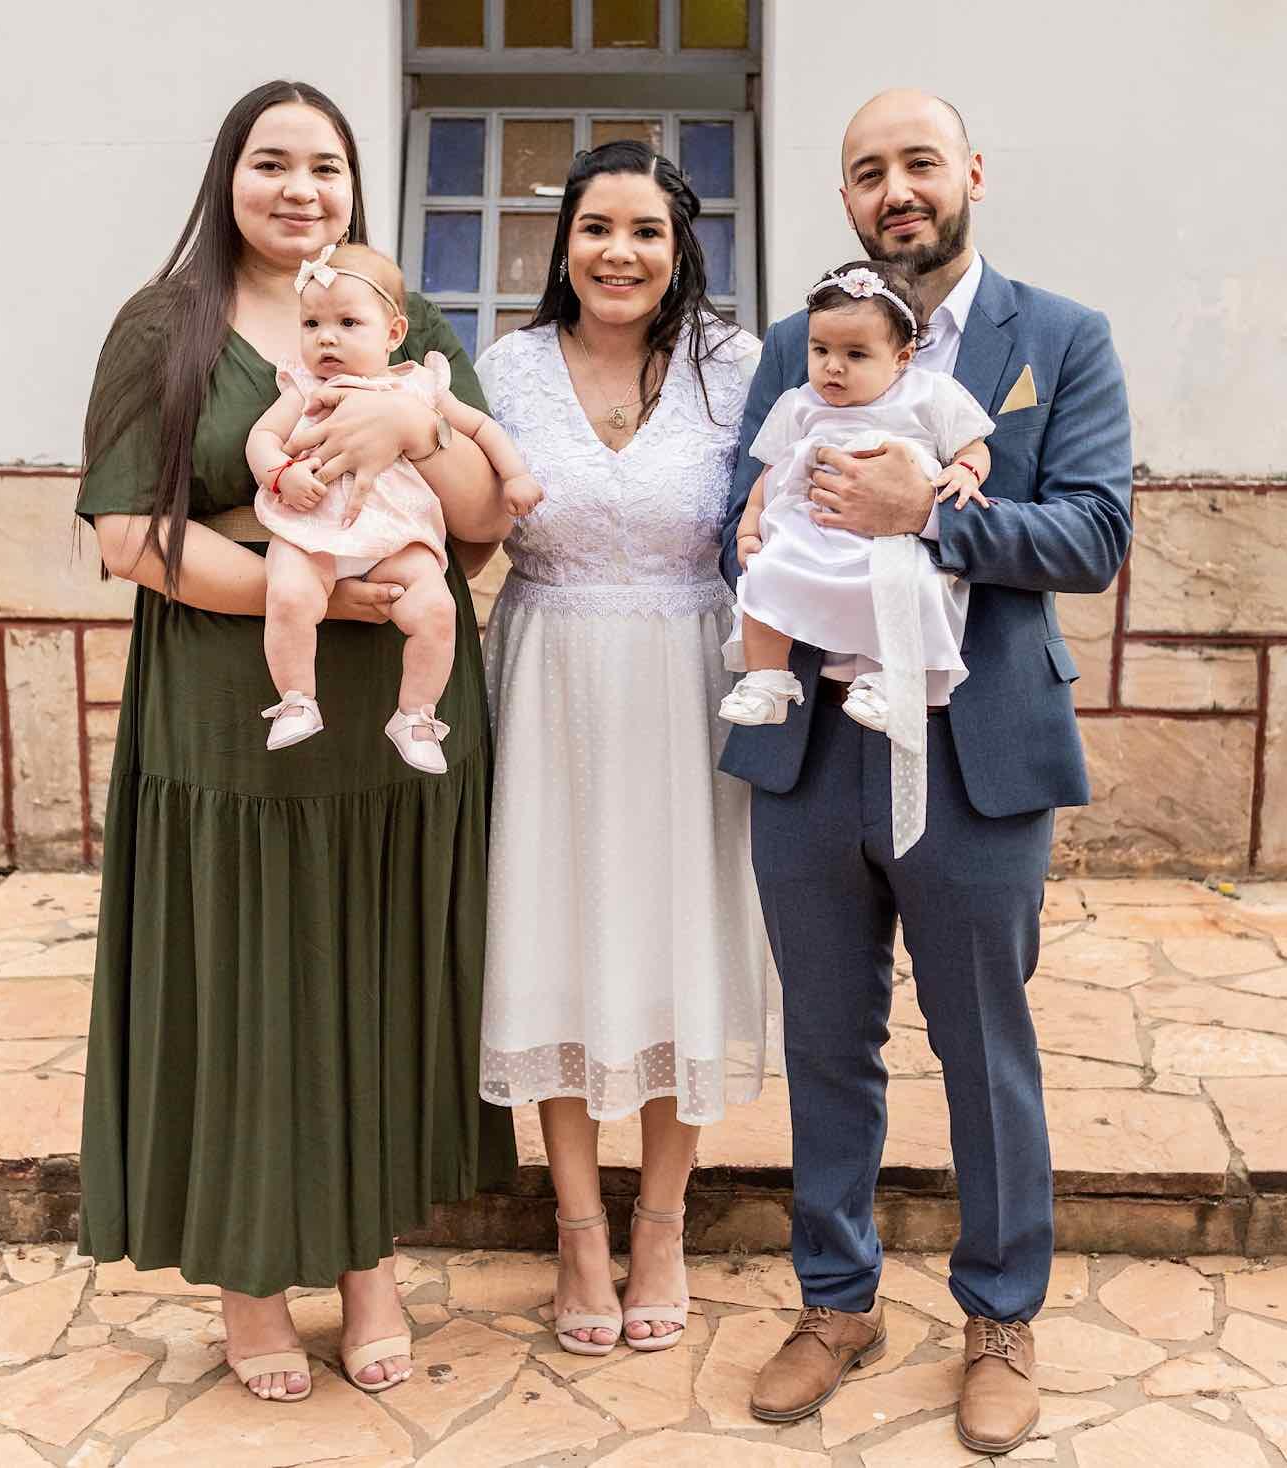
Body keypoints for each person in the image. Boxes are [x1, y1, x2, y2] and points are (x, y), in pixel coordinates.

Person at [75, 80, 516, 1405]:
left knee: (375, 985)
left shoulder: (402, 317)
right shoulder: (164, 328)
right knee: (249, 993)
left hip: (395, 732)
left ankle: (371, 1265)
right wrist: (315, 594)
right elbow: (128, 537)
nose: (300, 189)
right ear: (228, 178)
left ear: (354, 185)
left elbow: (486, 520)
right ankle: (253, 1283)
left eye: (325, 165)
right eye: (271, 162)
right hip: (236, 725)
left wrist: (420, 421)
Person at [722, 90, 1131, 1454]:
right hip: (810, 745)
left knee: (981, 1045)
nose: (893, 189)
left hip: (972, 749)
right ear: (845, 199)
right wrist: (756, 526)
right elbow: (742, 508)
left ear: (970, 173)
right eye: (865, 172)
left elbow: (1091, 535)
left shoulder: (1057, 338)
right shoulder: (799, 343)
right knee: (826, 1038)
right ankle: (836, 1301)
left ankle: (1000, 1315)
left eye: (917, 163)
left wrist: (930, 520)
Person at [474, 140, 776, 1358]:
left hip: (690, 679)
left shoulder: (736, 366)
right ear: (564, 245)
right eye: (596, 228)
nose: (619, 252)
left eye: (646, 230)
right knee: (552, 934)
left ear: (680, 245)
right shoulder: (505, 369)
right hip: (547, 679)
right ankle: (578, 1227)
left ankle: (661, 1222)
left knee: (672, 938)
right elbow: (463, 524)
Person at [721, 257, 993, 855]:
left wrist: (966, 471)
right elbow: (767, 474)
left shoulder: (930, 395)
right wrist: (749, 527)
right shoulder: (800, 403)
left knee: (904, 589)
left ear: (903, 356)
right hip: (811, 532)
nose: (833, 367)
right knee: (766, 582)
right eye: (820, 350)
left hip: (888, 538)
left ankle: (893, 682)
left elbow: (974, 445)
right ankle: (768, 677)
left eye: (855, 354)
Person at [243, 241, 543, 769]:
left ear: (394, 333)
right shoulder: (304, 386)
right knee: (288, 594)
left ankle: (416, 715)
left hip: (396, 535)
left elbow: (480, 427)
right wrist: (281, 473)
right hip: (312, 530)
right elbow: (262, 438)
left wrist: (515, 475)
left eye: (347, 323)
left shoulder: (420, 386)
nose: (326, 337)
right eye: (311, 324)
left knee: (436, 610)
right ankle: (296, 698)